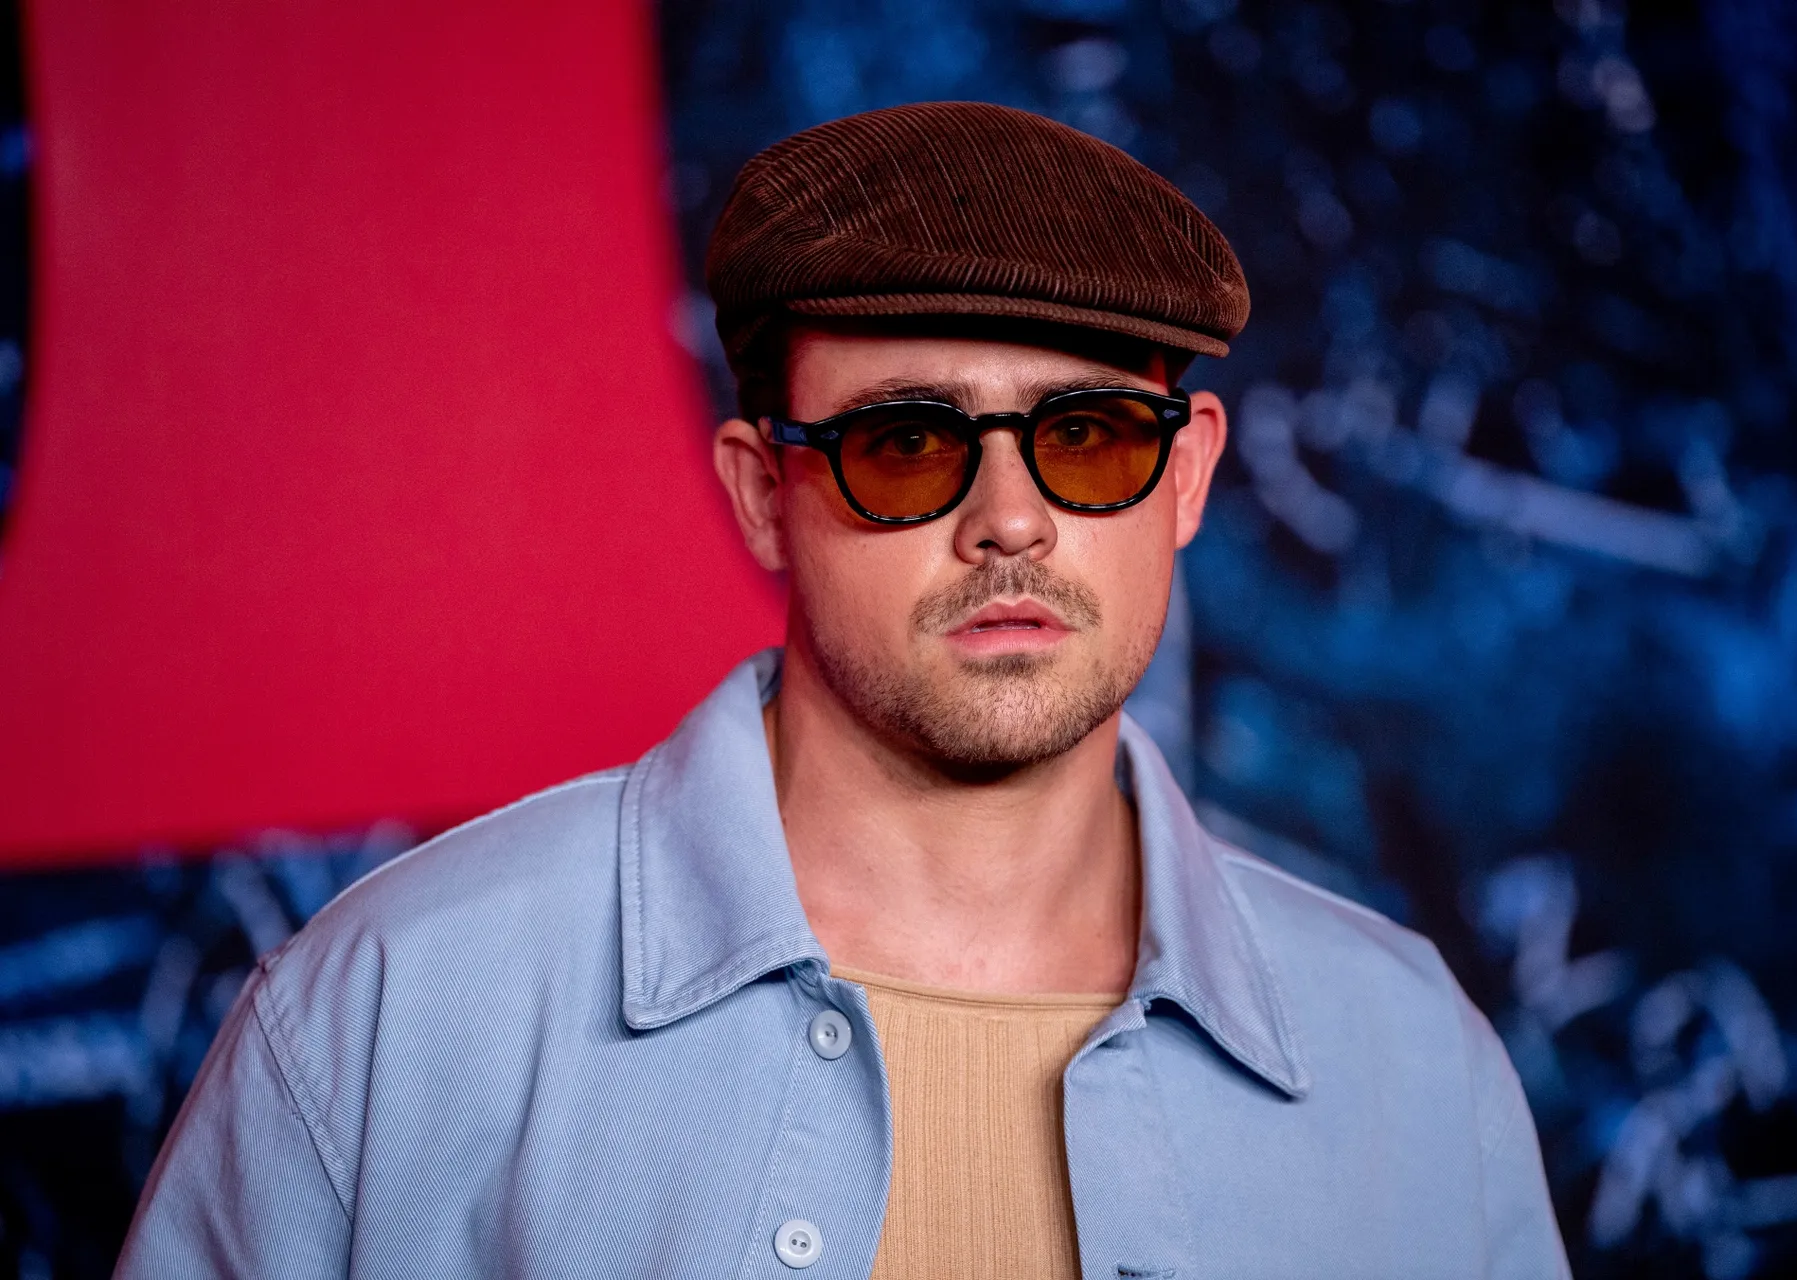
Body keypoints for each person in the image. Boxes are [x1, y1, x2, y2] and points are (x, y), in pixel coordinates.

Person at [116, 102, 1570, 1279]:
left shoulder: (1409, 1068)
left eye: (1089, 437)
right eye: (907, 446)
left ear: (1184, 478)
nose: (1009, 521)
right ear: (764, 495)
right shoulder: (395, 1016)